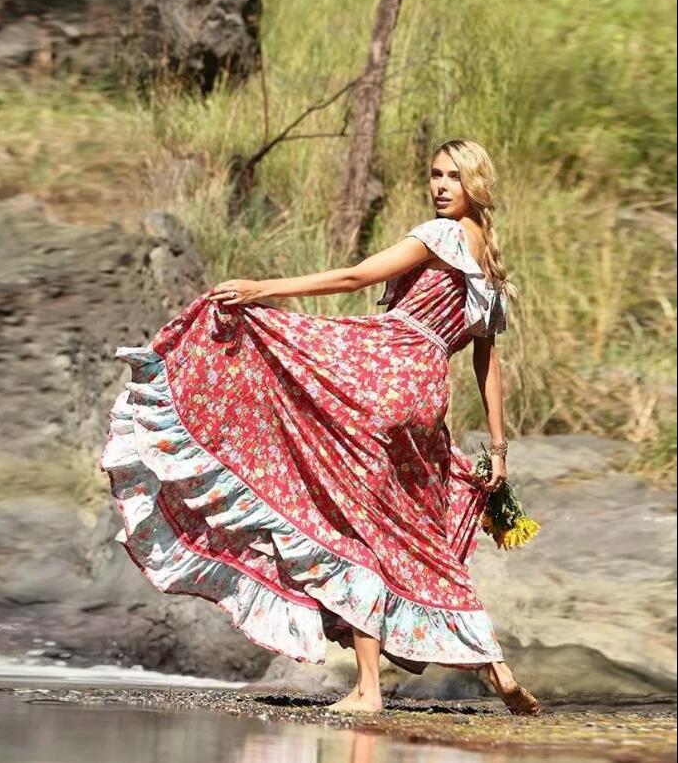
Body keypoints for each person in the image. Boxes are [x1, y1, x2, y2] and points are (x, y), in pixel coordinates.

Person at [99, 138, 541, 716]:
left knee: (353, 525)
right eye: (434, 175)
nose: (438, 186)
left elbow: (355, 279)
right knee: (409, 535)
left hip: (378, 375)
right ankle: (495, 665)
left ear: (475, 182)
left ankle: (368, 689)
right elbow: (487, 363)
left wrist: (264, 290)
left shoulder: (440, 236)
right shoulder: (490, 264)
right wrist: (499, 449)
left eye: (452, 177)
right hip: (428, 395)